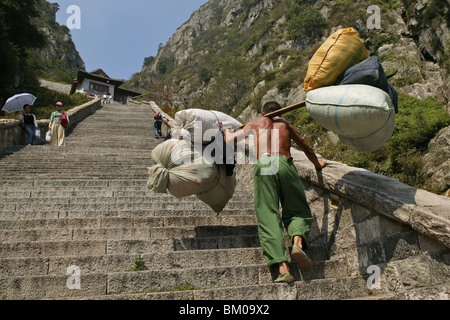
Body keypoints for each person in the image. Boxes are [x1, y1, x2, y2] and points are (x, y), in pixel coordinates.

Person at [223, 101, 328, 284]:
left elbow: (230, 141)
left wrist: (226, 130)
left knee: (268, 214)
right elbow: (305, 146)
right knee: (297, 208)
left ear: (263, 112)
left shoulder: (257, 122)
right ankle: (297, 244)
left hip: (265, 163)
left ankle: (283, 268)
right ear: (279, 111)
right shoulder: (286, 124)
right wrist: (317, 164)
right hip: (284, 161)